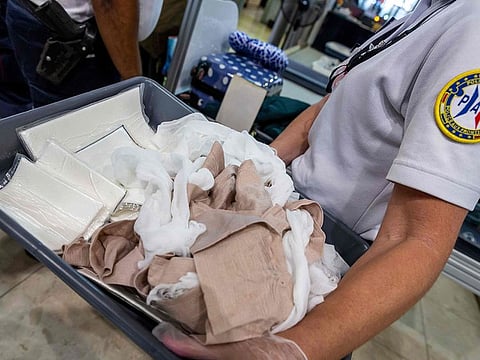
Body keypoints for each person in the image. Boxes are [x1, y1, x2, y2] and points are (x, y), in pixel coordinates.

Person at [152, 0, 480, 358]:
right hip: (284, 211)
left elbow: (417, 240)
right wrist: (257, 168)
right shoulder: (424, 12)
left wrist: (290, 349)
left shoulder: (471, 35)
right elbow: (328, 108)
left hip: (320, 259)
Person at [0, 0, 161, 118]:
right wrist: (134, 84)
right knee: (73, 129)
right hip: (68, 35)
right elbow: (109, 4)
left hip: (48, 18)